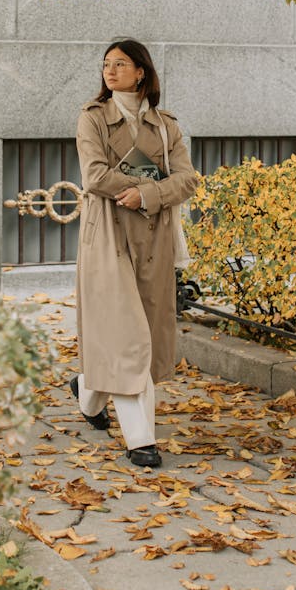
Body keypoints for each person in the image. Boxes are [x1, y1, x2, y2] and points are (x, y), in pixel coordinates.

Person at [71, 39, 199, 468]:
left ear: (141, 71)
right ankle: (140, 440)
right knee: (126, 335)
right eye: (106, 64)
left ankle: (88, 390)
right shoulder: (92, 118)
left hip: (154, 237)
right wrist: (131, 192)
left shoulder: (166, 126)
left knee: (139, 328)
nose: (110, 71)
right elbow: (93, 175)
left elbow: (187, 180)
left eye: (120, 64)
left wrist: (146, 194)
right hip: (107, 234)